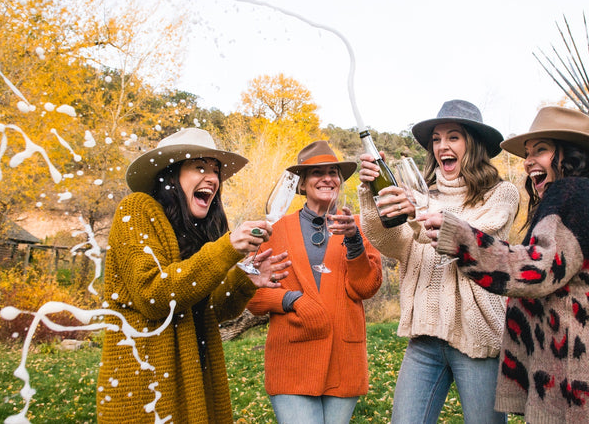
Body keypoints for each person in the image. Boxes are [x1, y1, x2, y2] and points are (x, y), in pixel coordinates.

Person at [96, 128, 291, 423]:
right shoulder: (136, 209)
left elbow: (211, 311)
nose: (213, 178)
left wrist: (243, 281)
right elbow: (153, 296)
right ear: (170, 175)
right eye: (199, 167)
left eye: (215, 170)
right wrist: (225, 250)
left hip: (197, 388)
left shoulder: (198, 231)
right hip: (148, 395)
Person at [423, 106, 589, 423]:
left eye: (540, 150)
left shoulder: (572, 191)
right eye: (527, 153)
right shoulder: (575, 199)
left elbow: (536, 271)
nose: (528, 162)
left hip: (569, 385)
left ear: (569, 154)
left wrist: (460, 237)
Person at [358, 99, 520, 423]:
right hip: (424, 338)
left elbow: (472, 234)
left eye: (453, 137)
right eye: (436, 139)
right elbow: (396, 243)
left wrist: (414, 211)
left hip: (477, 340)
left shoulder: (502, 194)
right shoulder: (420, 195)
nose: (442, 145)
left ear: (473, 144)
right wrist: (372, 195)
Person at [247, 141, 383, 424]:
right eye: (316, 172)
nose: (327, 178)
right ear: (303, 183)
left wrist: (354, 241)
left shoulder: (357, 226)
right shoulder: (276, 229)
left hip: (343, 360)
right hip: (292, 359)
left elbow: (366, 288)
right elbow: (251, 294)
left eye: (333, 171)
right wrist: (291, 299)